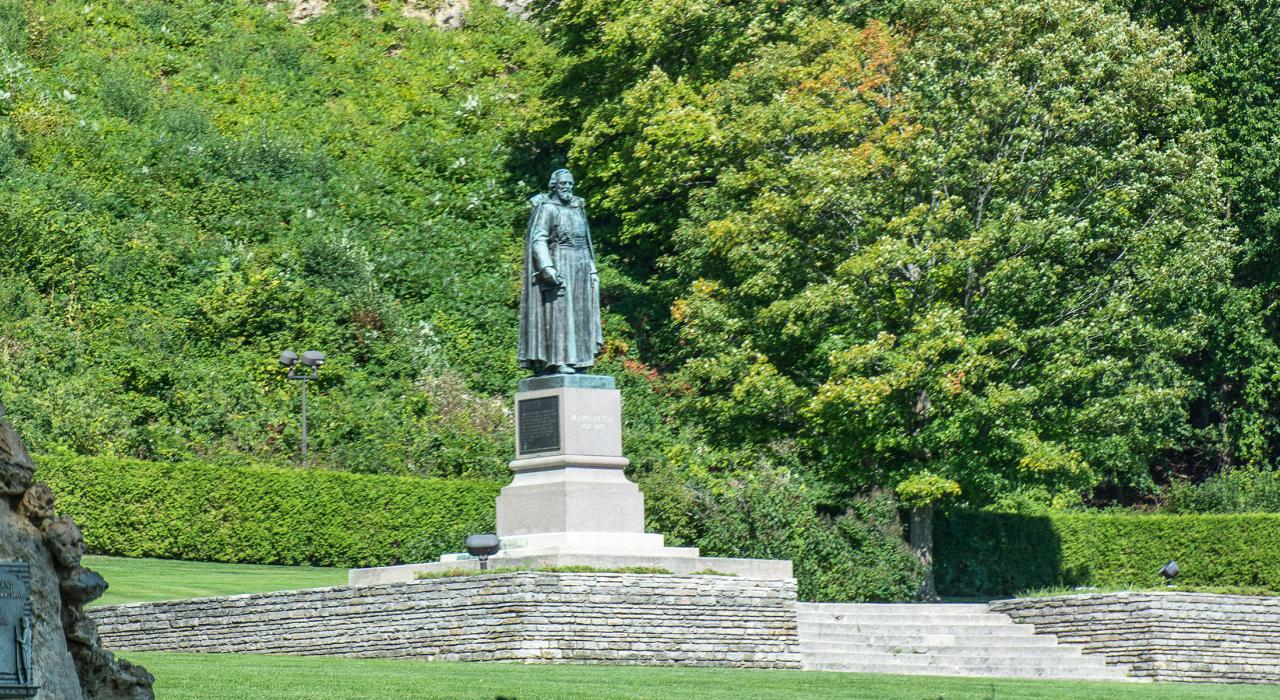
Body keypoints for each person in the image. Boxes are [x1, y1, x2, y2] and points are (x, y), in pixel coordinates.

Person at [517, 169, 603, 374]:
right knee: (561, 313)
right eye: (563, 184)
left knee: (581, 313)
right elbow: (538, 239)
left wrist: (592, 270)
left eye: (570, 184)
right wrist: (547, 266)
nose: (568, 188)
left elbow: (586, 241)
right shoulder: (547, 208)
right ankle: (560, 360)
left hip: (581, 264)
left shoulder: (577, 207)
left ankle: (581, 360)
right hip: (561, 261)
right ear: (554, 186)